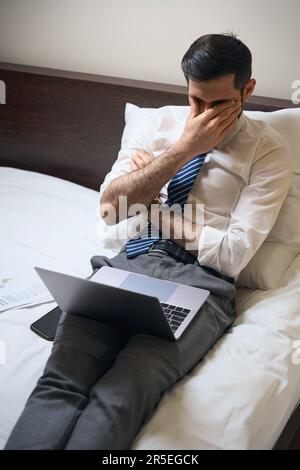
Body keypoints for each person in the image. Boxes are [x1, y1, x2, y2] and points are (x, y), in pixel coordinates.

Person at [5, 33, 292, 450]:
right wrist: (180, 151)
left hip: (202, 284)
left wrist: (151, 206)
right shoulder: (158, 127)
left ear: (246, 90)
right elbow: (110, 212)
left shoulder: (269, 152)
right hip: (129, 264)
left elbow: (230, 257)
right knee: (58, 383)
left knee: (118, 397)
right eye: (196, 101)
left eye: (219, 105)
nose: (203, 116)